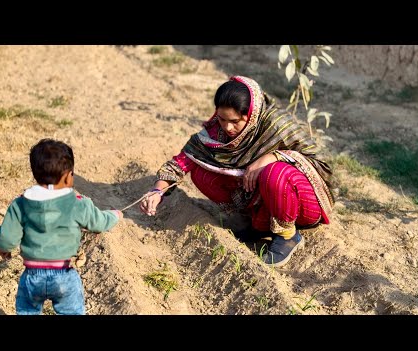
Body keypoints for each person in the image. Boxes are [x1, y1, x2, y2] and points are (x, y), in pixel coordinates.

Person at [140, 75, 334, 267]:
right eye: (222, 118)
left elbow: (319, 164)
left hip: (301, 204)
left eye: (235, 121)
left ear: (250, 115)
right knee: (200, 172)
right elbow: (181, 163)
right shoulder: (215, 132)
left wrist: (272, 157)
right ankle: (257, 225)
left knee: (274, 173)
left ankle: (288, 236)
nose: (227, 127)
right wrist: (158, 191)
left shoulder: (276, 124)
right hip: (264, 204)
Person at [0, 138, 123, 315]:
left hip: (32, 276)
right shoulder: (77, 204)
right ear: (67, 175)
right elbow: (99, 222)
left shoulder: (21, 204)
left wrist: (4, 249)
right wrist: (115, 215)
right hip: (63, 274)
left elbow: (8, 237)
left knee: (27, 311)